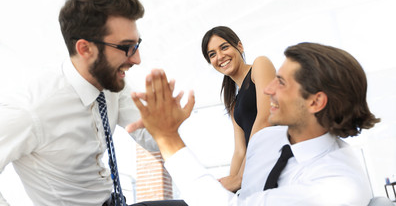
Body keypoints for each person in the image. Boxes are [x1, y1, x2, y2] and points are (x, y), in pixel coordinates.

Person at [131, 42, 380, 206]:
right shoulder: (266, 139)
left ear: (316, 102)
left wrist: (167, 138)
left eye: (281, 82)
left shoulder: (337, 187)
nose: (268, 88)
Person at [0, 0, 158, 206]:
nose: (136, 59)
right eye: (126, 47)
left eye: (137, 45)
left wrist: (166, 127)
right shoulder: (30, 108)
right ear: (85, 49)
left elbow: (148, 136)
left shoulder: (110, 81)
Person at [201, 26, 275, 192]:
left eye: (224, 47)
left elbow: (266, 117)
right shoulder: (234, 104)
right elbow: (240, 151)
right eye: (212, 54)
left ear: (239, 46)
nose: (220, 57)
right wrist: (229, 185)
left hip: (277, 162)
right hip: (256, 173)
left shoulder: (260, 65)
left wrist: (240, 178)